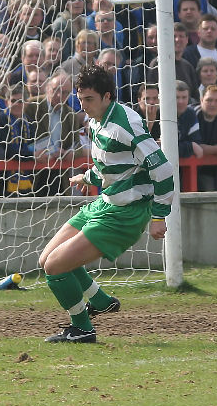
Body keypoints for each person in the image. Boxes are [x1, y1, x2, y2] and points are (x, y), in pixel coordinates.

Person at [41, 64, 174, 343]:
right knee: (47, 259)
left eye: (89, 99)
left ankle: (82, 328)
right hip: (106, 201)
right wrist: (88, 176)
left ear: (107, 96)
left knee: (55, 267)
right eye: (80, 99)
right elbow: (115, 166)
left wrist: (159, 216)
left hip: (126, 213)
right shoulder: (95, 121)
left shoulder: (124, 125)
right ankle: (100, 301)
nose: (84, 105)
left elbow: (162, 170)